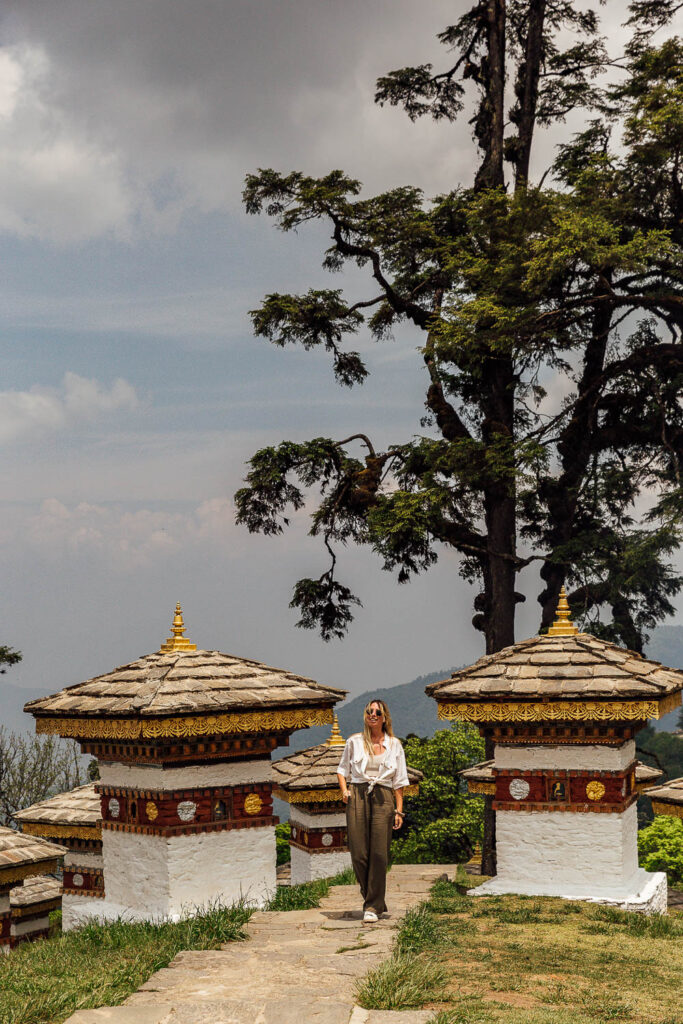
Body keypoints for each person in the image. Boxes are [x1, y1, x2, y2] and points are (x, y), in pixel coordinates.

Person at [336, 699, 409, 922]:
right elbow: (342, 769)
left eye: (377, 712)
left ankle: (373, 906)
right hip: (358, 793)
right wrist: (344, 791)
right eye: (369, 711)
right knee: (358, 853)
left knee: (379, 853)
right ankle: (373, 898)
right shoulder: (354, 742)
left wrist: (398, 811)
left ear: (384, 717)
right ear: (365, 715)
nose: (373, 715)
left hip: (383, 796)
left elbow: (400, 781)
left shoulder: (395, 745)